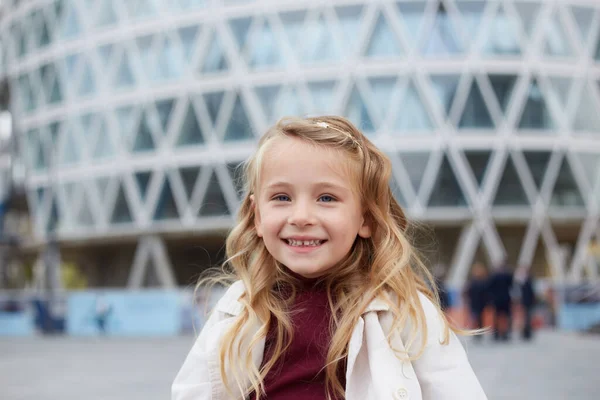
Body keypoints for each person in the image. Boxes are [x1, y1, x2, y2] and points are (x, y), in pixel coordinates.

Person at [172, 116, 487, 400]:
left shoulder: (402, 310)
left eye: (326, 198)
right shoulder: (239, 307)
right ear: (256, 215)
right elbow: (193, 390)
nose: (302, 216)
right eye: (281, 197)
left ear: (365, 218)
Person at [488, 259, 514, 341]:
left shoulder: (494, 276)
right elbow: (511, 285)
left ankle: (496, 334)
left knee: (496, 317)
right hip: (506, 299)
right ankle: (506, 333)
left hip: (497, 299)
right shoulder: (507, 275)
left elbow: (490, 287)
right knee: (506, 317)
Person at [465, 262, 489, 341]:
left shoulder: (482, 282)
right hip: (474, 303)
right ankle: (475, 332)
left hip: (480, 303)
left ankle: (479, 332)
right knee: (475, 318)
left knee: (480, 318)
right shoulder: (473, 282)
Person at [515, 265, 536, 340]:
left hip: (527, 302)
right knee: (525, 318)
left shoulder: (528, 280)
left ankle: (526, 333)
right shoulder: (525, 280)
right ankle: (525, 333)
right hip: (525, 302)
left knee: (526, 318)